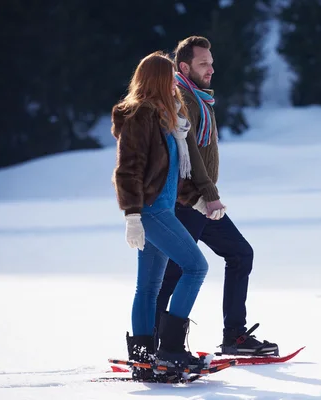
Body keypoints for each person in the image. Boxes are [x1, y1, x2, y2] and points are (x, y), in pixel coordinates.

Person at [155, 36, 278, 355]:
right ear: (184, 67)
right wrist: (207, 195)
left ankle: (233, 336)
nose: (211, 69)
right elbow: (189, 151)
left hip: (199, 202)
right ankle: (154, 345)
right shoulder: (184, 99)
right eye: (203, 64)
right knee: (174, 273)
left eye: (211, 62)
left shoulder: (199, 98)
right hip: (187, 201)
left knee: (238, 254)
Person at [111, 51, 209, 381]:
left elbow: (167, 174)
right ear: (155, 80)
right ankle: (170, 349)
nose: (174, 85)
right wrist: (132, 216)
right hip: (150, 211)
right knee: (196, 267)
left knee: (149, 288)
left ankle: (143, 357)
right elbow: (129, 170)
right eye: (169, 78)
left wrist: (194, 200)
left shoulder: (167, 119)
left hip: (162, 207)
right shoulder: (140, 116)